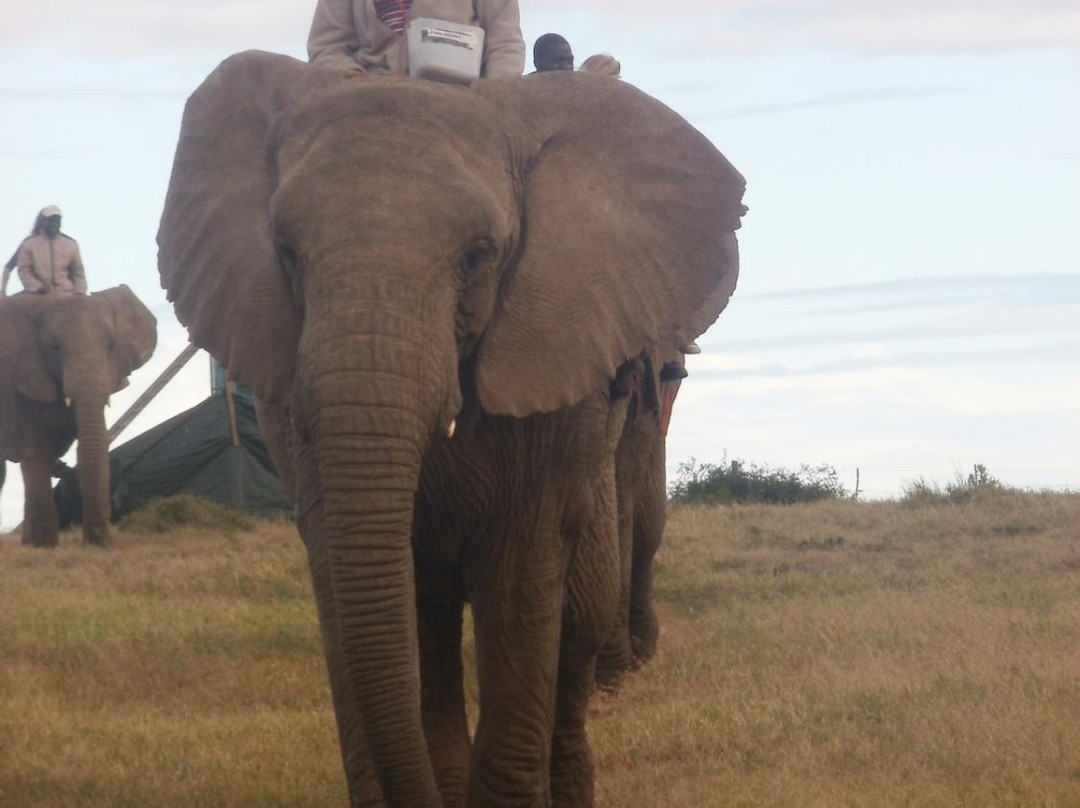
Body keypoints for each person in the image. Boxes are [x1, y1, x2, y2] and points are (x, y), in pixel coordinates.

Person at [308, 0, 525, 79]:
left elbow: (505, 44)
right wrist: (353, 79)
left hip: (459, 105)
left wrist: (492, 99)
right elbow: (327, 46)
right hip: (370, 104)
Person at [14, 206, 88, 296]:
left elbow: (78, 273)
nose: (54, 224)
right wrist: (36, 287)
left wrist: (79, 292)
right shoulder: (30, 244)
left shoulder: (71, 245)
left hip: (66, 296)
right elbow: (24, 271)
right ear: (43, 221)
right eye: (50, 221)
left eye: (57, 220)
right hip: (38, 296)